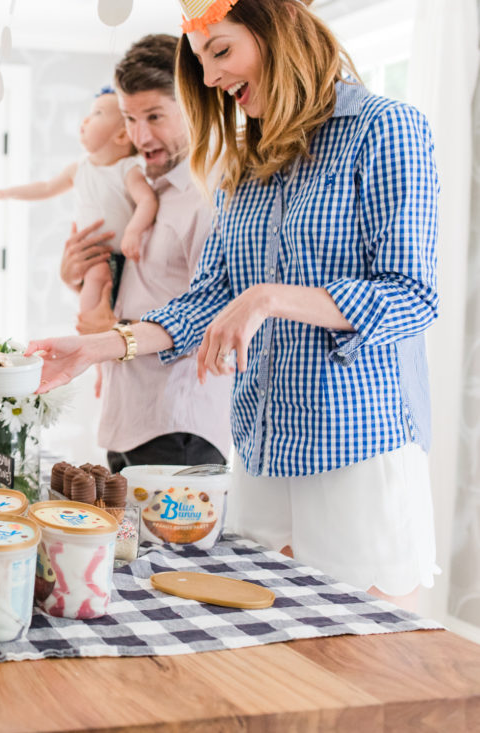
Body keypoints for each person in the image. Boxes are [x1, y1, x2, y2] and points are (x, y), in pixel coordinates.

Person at [29, 0, 439, 609]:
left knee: (358, 658)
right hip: (264, 448)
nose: (214, 77)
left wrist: (269, 298)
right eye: (202, 62)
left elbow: (412, 295)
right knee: (264, 654)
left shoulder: (386, 128)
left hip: (356, 447)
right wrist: (102, 345)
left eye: (222, 51)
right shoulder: (244, 164)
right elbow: (207, 301)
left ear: (280, 30)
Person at [55, 34, 233, 473]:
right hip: (126, 417)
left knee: (168, 547)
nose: (139, 136)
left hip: (178, 426)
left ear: (194, 104)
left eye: (154, 116)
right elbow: (139, 290)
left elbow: (215, 318)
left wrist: (111, 334)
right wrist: (72, 277)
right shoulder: (142, 191)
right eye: (130, 118)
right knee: (125, 544)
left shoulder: (210, 198)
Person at [0, 87, 159, 314]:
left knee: (114, 293)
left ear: (122, 135)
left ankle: (96, 331)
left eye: (98, 113)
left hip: (126, 254)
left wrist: (133, 231)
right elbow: (46, 188)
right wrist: (8, 193)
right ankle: (89, 329)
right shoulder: (80, 167)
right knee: (97, 277)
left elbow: (147, 201)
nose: (86, 119)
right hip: (96, 255)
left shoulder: (127, 169)